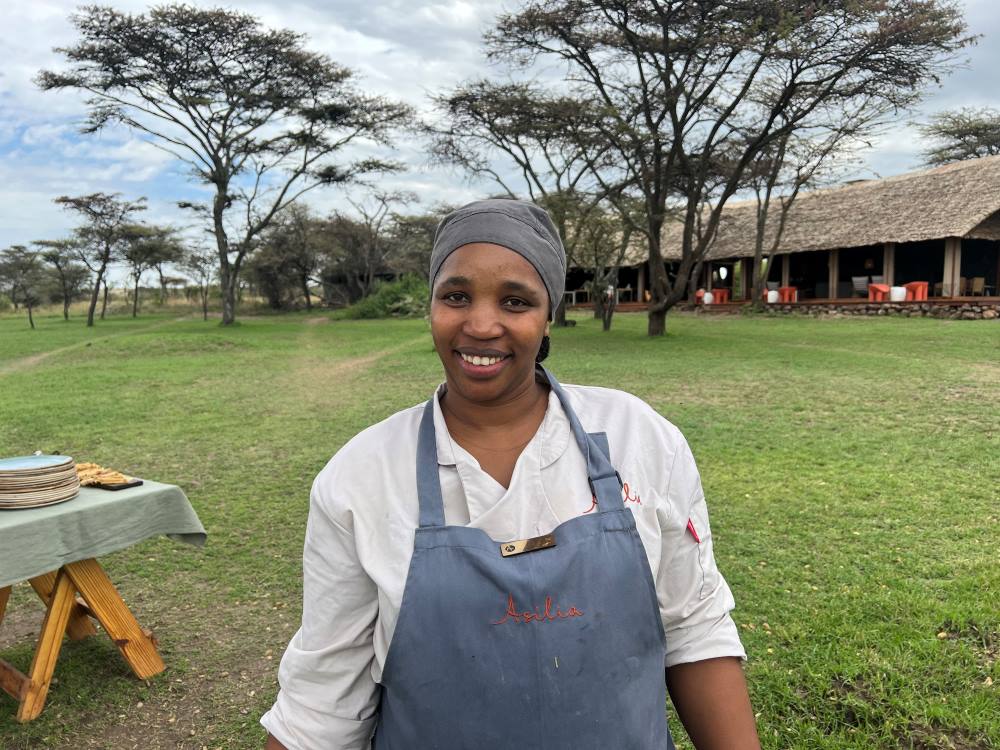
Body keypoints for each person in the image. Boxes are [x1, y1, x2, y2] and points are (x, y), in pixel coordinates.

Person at [262, 199, 760, 750]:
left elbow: (694, 628)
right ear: (430, 306)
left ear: (549, 314)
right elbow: (323, 698)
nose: (480, 324)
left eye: (515, 301)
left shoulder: (638, 437)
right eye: (455, 296)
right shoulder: (362, 475)